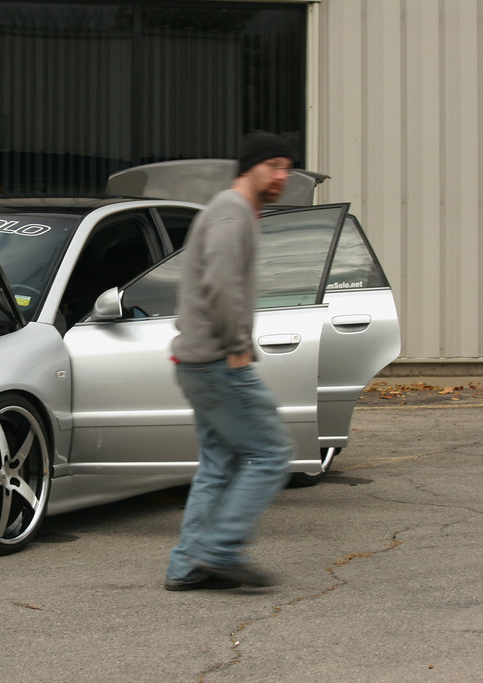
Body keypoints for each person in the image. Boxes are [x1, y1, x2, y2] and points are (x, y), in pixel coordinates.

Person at [164, 131, 295, 591]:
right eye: (274, 165)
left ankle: (187, 564)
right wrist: (238, 345)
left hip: (198, 359)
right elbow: (221, 284)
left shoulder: (234, 211)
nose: (283, 175)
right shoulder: (230, 210)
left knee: (220, 461)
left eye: (287, 167)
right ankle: (219, 550)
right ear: (250, 167)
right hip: (219, 360)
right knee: (270, 453)